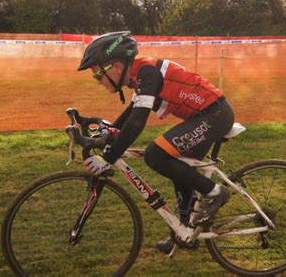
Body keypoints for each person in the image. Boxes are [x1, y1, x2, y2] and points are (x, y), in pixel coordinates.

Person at [77, 31, 234, 254]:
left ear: (116, 67)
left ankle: (215, 193)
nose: (98, 81)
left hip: (215, 114)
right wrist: (97, 131)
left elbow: (136, 123)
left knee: (155, 154)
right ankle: (185, 230)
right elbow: (125, 121)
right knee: (180, 168)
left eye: (98, 75)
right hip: (204, 116)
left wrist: (108, 159)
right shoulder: (140, 76)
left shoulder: (147, 73)